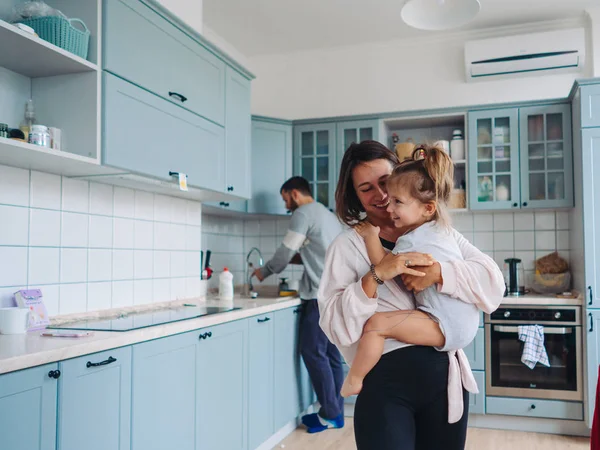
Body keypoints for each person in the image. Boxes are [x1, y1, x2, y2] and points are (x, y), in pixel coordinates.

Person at [318, 141, 504, 450]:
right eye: (366, 189)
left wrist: (441, 273)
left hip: (446, 384)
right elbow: (336, 325)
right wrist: (374, 277)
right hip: (386, 389)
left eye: (385, 182)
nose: (381, 196)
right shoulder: (347, 247)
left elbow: (493, 283)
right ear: (355, 196)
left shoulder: (439, 232)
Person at [340, 145, 480, 418]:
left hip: (448, 325)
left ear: (427, 208)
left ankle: (354, 379)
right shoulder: (440, 232)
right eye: (368, 189)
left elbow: (386, 264)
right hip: (458, 323)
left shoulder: (413, 239)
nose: (387, 205)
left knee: (377, 325)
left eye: (397, 202)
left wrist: (370, 237)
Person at [253, 176, 345, 433]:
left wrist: (264, 272)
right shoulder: (326, 215)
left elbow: (285, 251)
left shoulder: (303, 213)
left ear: (294, 194)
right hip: (335, 294)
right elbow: (314, 253)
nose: (285, 206)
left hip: (318, 296)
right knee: (331, 355)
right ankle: (335, 412)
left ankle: (329, 413)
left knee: (313, 352)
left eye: (285, 199)